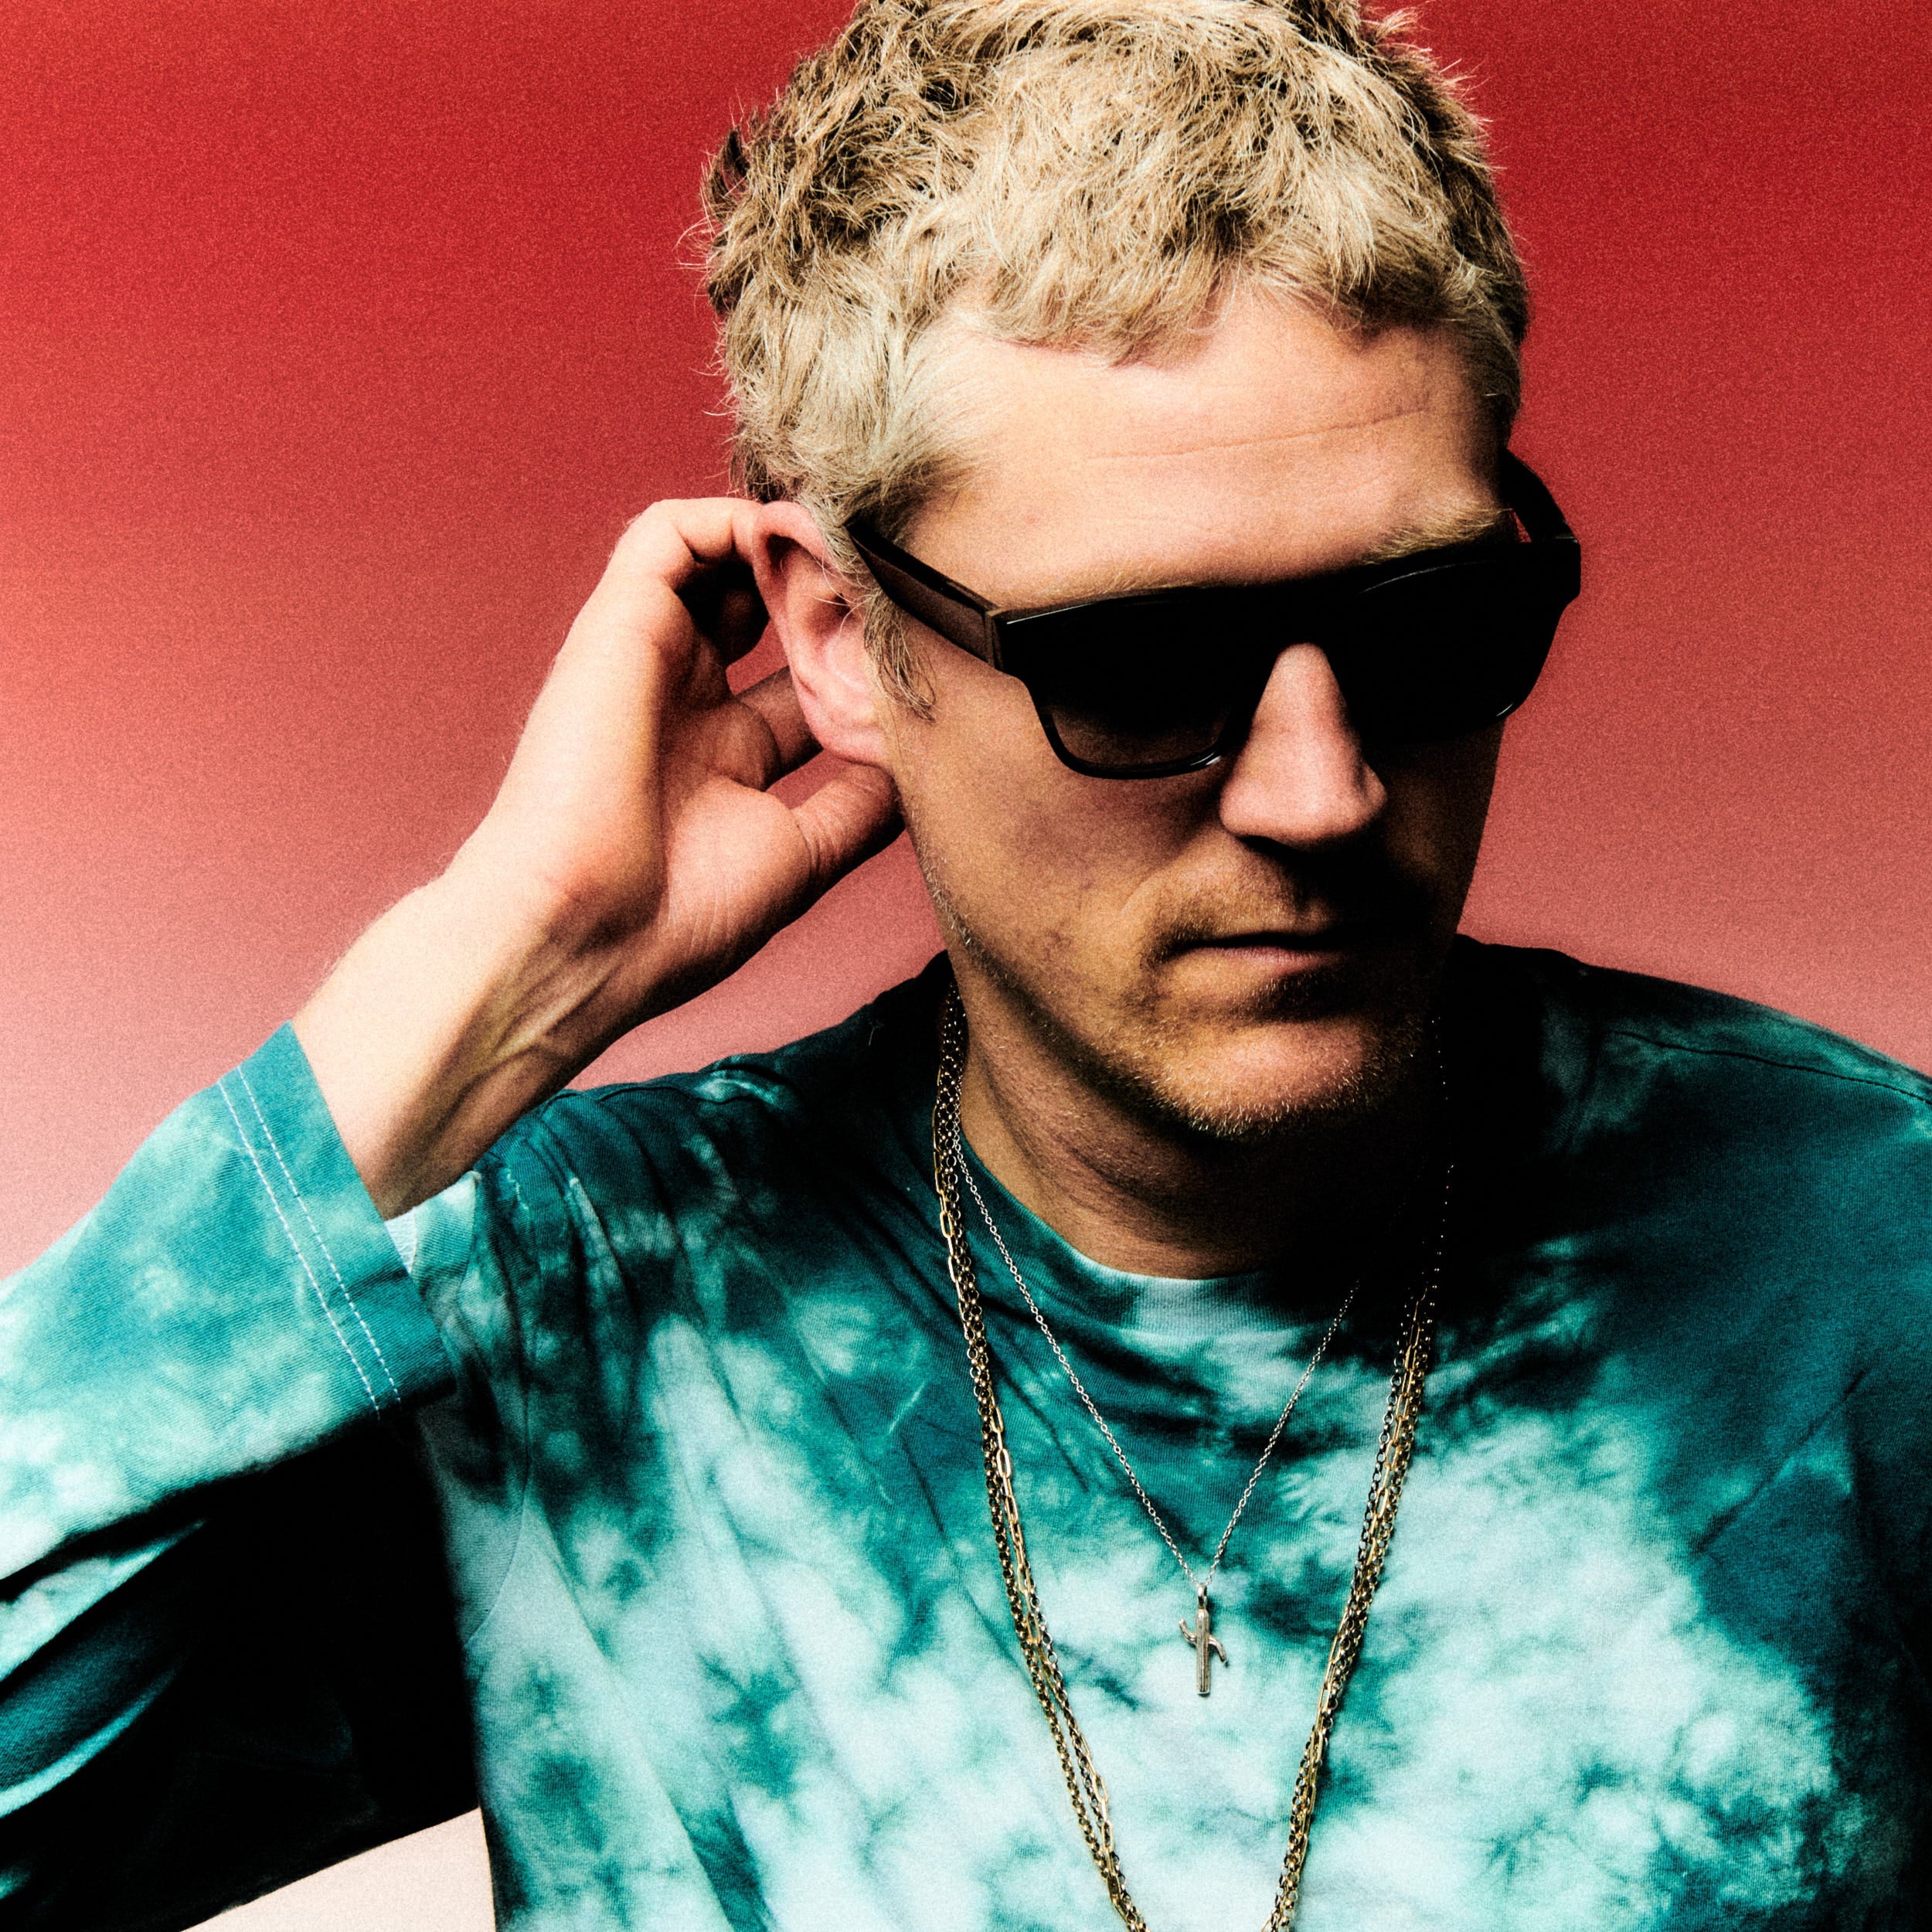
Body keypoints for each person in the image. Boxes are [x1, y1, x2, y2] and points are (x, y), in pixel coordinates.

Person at [3, 0, 1927, 1927]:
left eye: (1429, 623)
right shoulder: (579, 1310)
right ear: (841, 640)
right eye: (1144, 667)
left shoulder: (1867, 1263)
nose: (1321, 789)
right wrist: (488, 973)